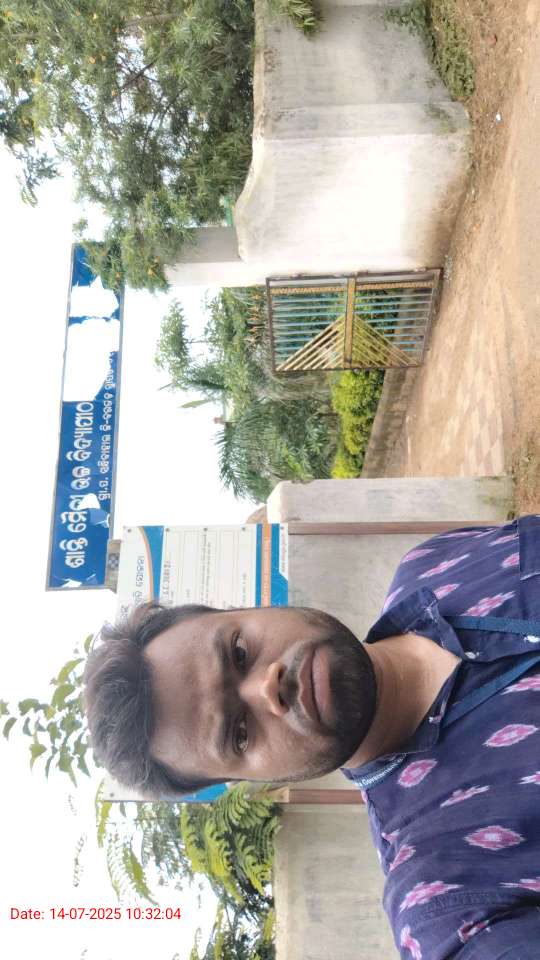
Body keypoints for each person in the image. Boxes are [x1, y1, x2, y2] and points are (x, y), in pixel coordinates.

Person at [84, 515, 540, 959]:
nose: (267, 689)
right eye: (239, 733)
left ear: (248, 609)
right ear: (254, 782)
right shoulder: (444, 893)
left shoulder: (432, 564)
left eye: (238, 652)